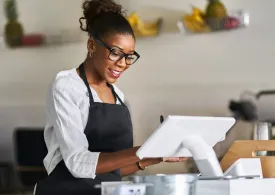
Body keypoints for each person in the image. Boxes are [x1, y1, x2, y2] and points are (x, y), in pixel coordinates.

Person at [34, 0, 187, 194]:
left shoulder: (119, 97)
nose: (123, 63)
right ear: (91, 45)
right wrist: (143, 150)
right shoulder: (66, 86)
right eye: (116, 53)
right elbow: (77, 163)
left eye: (129, 56)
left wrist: (152, 158)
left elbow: (111, 171)